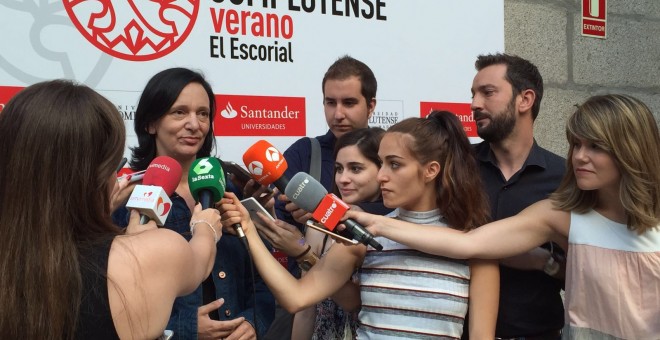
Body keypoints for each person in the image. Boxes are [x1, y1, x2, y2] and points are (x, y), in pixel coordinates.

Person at [347, 94, 660, 339]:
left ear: (629, 148)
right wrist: (379, 223)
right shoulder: (561, 215)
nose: (579, 156)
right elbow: (469, 244)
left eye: (595, 147)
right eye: (576, 144)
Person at [221, 112, 500, 339]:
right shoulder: (360, 236)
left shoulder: (475, 246)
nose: (381, 176)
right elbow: (296, 298)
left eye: (394, 165)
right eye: (380, 164)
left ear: (431, 170)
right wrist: (250, 230)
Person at [0, 80, 222, 339]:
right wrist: (205, 226)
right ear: (94, 175)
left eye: (203, 114)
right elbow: (200, 262)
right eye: (114, 164)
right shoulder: (156, 252)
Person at [112, 67, 275, 339]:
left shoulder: (231, 190)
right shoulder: (128, 199)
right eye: (179, 112)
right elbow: (117, 298)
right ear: (150, 123)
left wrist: (252, 321)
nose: (194, 124)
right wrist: (182, 328)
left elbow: (261, 279)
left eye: (203, 113)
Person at [268, 55, 378, 339]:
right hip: (313, 302)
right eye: (331, 102)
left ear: (371, 105)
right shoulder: (305, 152)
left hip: (380, 310)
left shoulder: (395, 153)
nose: (338, 113)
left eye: (349, 103)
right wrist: (306, 240)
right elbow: (291, 237)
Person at [256, 127, 388, 339]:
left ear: (382, 171)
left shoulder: (393, 228)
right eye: (338, 168)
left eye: (355, 169)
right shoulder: (318, 226)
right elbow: (305, 310)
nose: (343, 179)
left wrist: (303, 253)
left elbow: (353, 302)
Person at [469, 53, 566, 339]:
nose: (474, 104)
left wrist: (545, 262)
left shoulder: (566, 178)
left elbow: (590, 272)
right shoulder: (456, 167)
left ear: (525, 100)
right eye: (473, 94)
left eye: (487, 93)